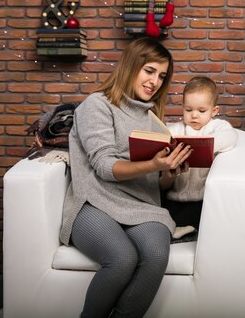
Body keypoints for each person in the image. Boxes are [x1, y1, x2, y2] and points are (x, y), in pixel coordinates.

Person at [59, 37, 192, 318]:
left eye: (162, 75)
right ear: (131, 66)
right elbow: (105, 166)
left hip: (141, 206)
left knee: (156, 256)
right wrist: (152, 163)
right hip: (93, 201)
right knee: (122, 258)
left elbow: (156, 184)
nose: (155, 81)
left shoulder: (153, 119)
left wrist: (168, 171)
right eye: (149, 71)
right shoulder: (97, 105)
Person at [163, 76, 237, 238]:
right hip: (175, 194)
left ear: (214, 111)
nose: (194, 116)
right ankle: (170, 229)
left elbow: (230, 137)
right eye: (188, 110)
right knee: (163, 213)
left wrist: (205, 146)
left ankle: (186, 227)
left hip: (201, 196)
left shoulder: (218, 127)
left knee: (199, 212)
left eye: (201, 111)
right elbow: (165, 137)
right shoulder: (177, 128)